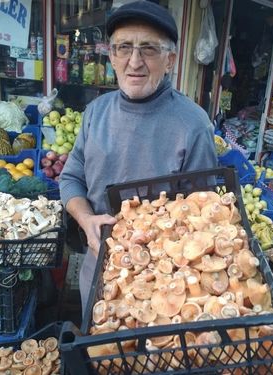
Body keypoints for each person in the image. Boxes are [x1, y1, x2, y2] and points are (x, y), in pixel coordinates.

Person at [60, 0, 218, 312]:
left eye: (148, 49)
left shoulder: (194, 125)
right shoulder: (95, 113)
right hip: (97, 269)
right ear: (111, 56)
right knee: (97, 355)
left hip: (162, 286)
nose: (134, 61)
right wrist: (86, 218)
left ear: (170, 60)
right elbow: (71, 177)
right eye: (123, 48)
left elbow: (203, 218)